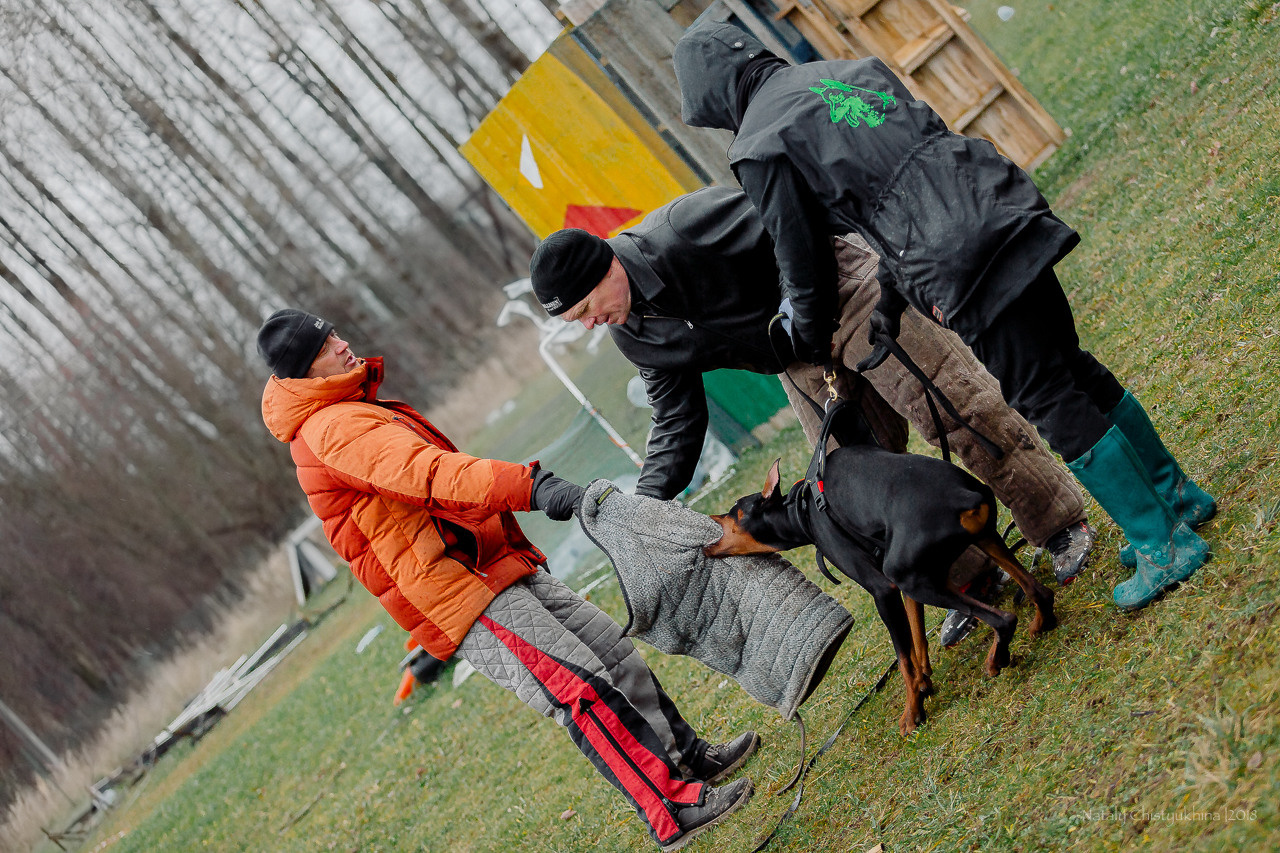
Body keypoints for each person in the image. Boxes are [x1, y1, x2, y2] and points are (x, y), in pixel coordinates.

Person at [671, 21, 1216, 610]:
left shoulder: (759, 144)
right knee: (1072, 365)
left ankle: (1163, 543)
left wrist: (804, 336)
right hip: (998, 203)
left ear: (713, 98)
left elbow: (802, 259)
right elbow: (904, 179)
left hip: (957, 260)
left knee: (1049, 394)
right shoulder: (848, 71)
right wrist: (890, 300)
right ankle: (1176, 499)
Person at [256, 308, 755, 851]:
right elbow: (433, 475)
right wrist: (532, 487)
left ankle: (687, 759)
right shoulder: (331, 428)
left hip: (490, 560)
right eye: (324, 347)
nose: (341, 344)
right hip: (459, 590)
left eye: (333, 332)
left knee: (610, 650)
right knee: (581, 688)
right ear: (305, 372)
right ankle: (670, 806)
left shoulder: (347, 408)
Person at [528, 187, 1092, 645]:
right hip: (795, 357)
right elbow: (676, 418)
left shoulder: (686, 227)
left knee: (954, 409)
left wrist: (798, 309)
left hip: (846, 295)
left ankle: (1057, 525)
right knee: (845, 489)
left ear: (605, 267)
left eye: (586, 309)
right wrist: (644, 506)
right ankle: (968, 580)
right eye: (578, 321)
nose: (590, 325)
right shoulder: (632, 333)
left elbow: (790, 225)